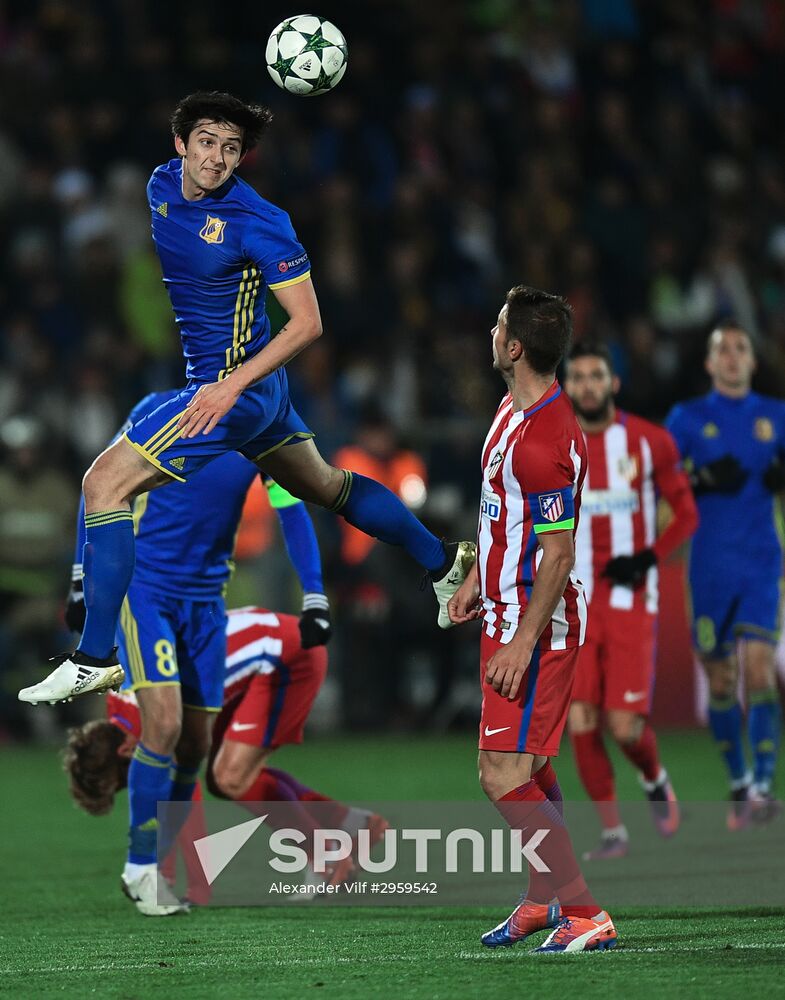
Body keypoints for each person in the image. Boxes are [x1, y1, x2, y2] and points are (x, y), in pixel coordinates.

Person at [18, 90, 474, 706]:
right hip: (246, 390)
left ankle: (94, 657)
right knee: (327, 486)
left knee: (103, 486)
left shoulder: (260, 221)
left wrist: (230, 384)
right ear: (180, 144)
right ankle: (443, 560)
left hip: (233, 394)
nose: (217, 158)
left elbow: (308, 323)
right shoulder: (159, 186)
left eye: (231, 148)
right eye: (207, 142)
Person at [57, 388, 333, 914]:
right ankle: (144, 868)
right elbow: (98, 485)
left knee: (194, 748)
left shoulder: (263, 428)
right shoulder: (157, 411)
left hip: (207, 605)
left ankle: (334, 833)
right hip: (147, 589)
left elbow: (291, 509)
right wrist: (79, 576)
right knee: (166, 729)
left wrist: (315, 592)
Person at [448, 286, 616, 954]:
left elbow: (557, 553)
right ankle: (543, 898)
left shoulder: (544, 440)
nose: (490, 332)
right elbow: (498, 507)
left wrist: (521, 640)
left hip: (537, 625)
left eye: (497, 326)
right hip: (507, 610)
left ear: (513, 348)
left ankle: (584, 911)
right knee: (525, 764)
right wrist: (473, 577)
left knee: (501, 774)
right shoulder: (512, 410)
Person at [64, 605, 384, 914]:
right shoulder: (119, 708)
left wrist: (195, 888)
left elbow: (180, 798)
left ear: (124, 752)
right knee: (226, 779)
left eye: (128, 779)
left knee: (231, 777)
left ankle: (328, 858)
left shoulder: (150, 723)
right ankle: (350, 823)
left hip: (287, 658)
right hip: (262, 652)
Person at [564, 341, 698, 859]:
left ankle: (654, 775)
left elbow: (685, 514)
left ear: (614, 382)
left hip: (629, 599)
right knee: (580, 718)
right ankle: (613, 833)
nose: (588, 387)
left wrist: (647, 558)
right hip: (574, 601)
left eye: (597, 376)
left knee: (624, 728)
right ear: (567, 385)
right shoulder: (557, 444)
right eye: (578, 378)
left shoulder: (649, 442)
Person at [666, 322, 785, 826]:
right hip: (710, 567)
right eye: (723, 350)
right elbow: (658, 478)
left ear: (753, 362)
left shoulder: (777, 417)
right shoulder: (687, 419)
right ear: (710, 364)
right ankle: (737, 779)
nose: (733, 356)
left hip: (761, 561)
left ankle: (761, 783)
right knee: (721, 680)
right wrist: (699, 478)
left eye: (741, 348)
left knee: (758, 671)